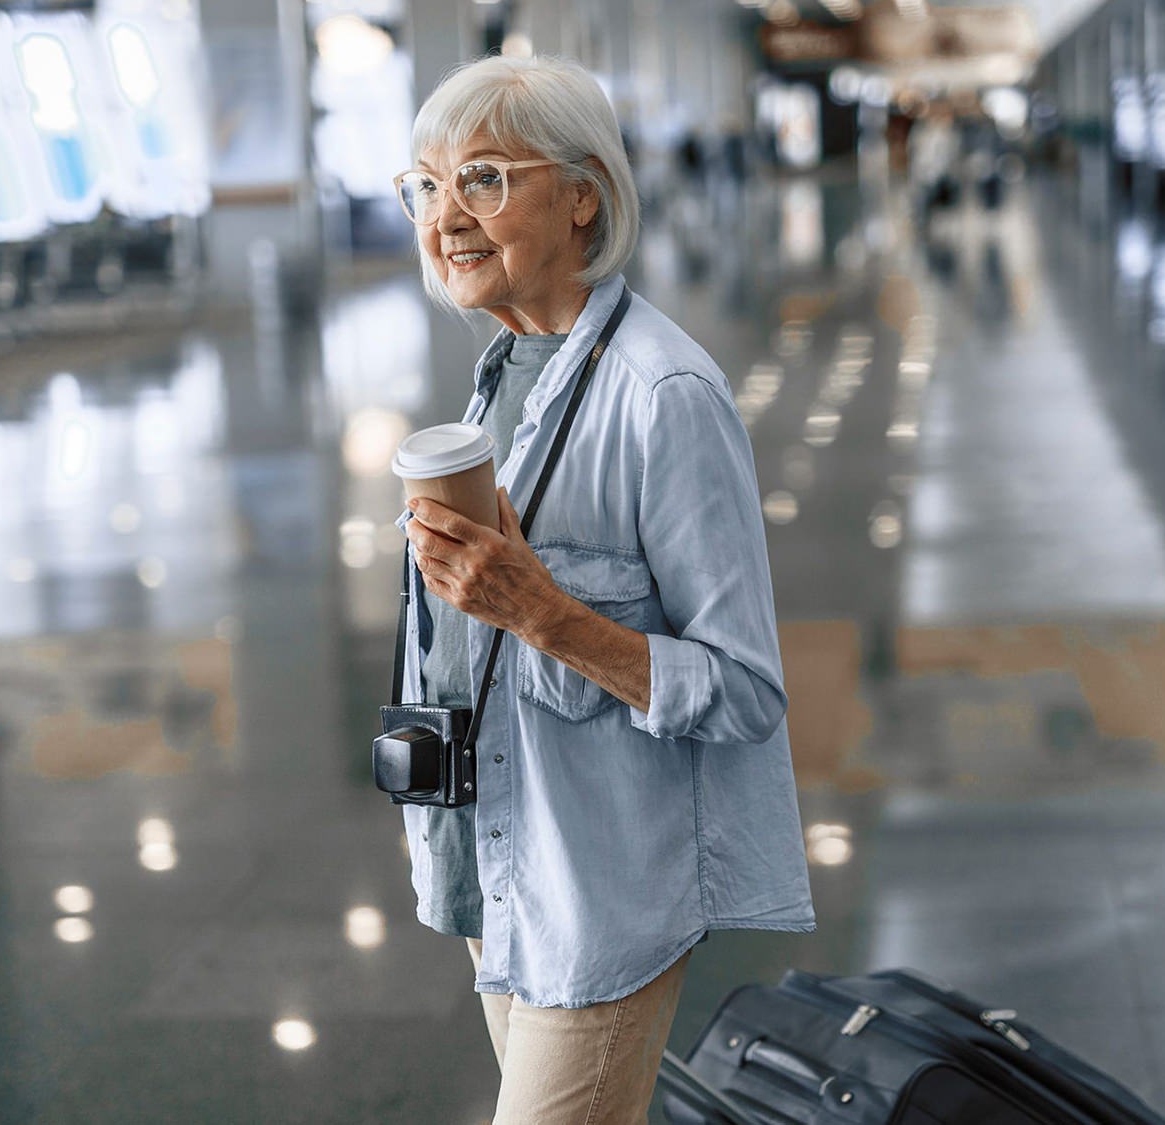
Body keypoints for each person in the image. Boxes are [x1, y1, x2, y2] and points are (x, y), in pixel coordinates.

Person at [391, 55, 815, 1123]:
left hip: (599, 896)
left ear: (584, 195)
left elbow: (746, 690)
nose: (446, 216)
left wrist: (542, 612)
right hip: (493, 868)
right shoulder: (500, 375)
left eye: (483, 177)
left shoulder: (664, 396)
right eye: (426, 186)